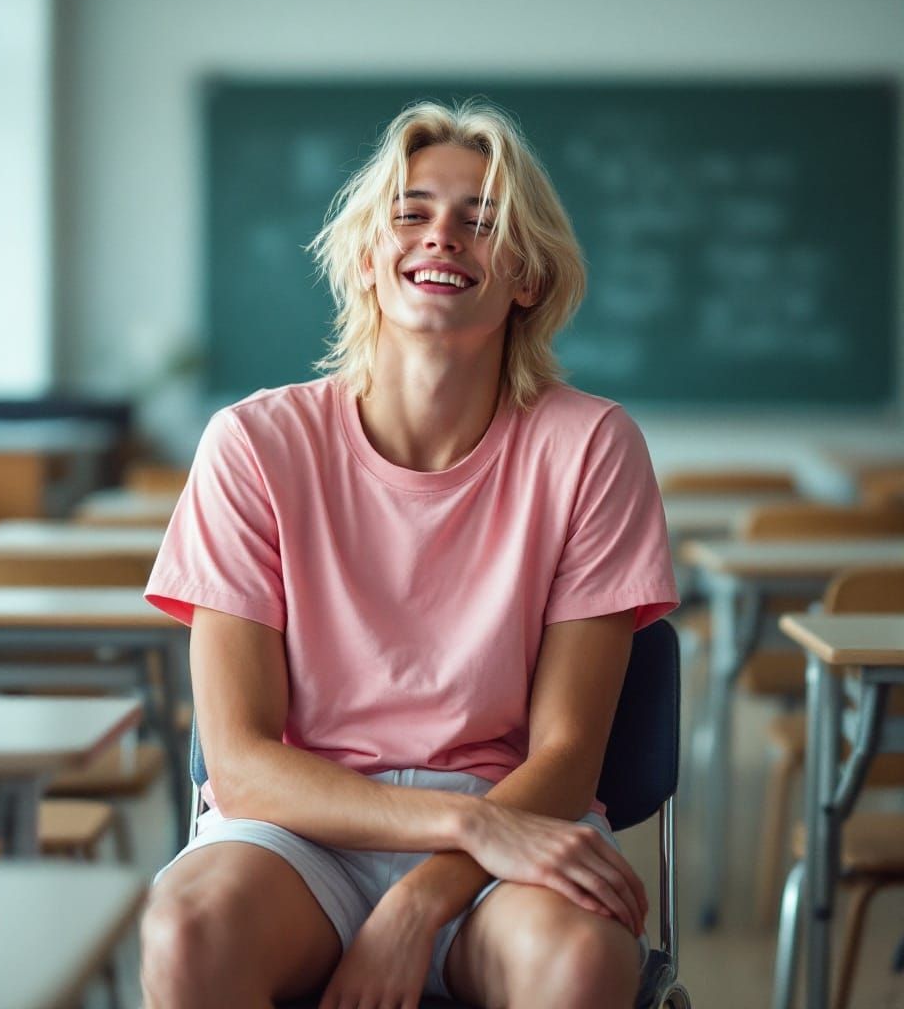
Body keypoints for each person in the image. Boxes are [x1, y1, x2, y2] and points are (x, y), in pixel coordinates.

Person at [140, 98, 679, 1009]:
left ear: (528, 280)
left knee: (582, 961)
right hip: (301, 831)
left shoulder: (592, 447)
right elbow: (238, 762)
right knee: (186, 929)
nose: (444, 237)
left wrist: (419, 900)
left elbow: (568, 753)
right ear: (365, 258)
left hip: (515, 832)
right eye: (412, 213)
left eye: (483, 221)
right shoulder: (251, 444)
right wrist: (462, 823)